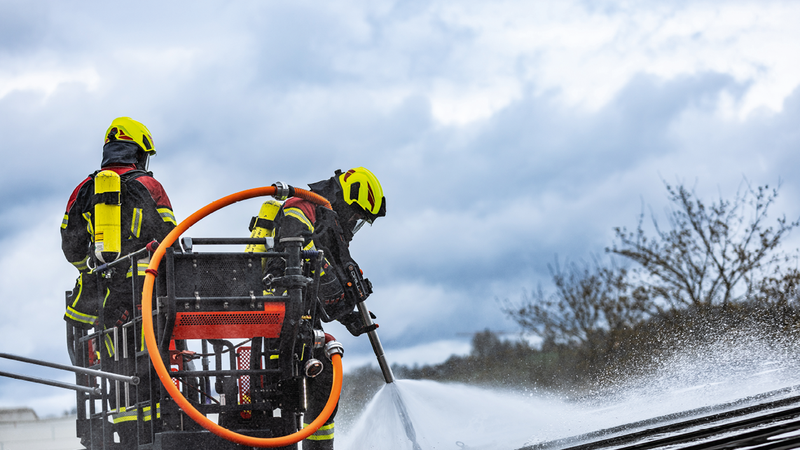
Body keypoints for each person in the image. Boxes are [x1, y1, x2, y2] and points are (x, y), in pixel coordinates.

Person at [61, 117, 176, 448]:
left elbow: (71, 246)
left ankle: (127, 438)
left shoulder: (84, 190)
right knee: (152, 364)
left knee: (118, 369)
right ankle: (154, 434)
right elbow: (170, 238)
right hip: (146, 296)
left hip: (103, 300)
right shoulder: (149, 186)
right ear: (138, 153)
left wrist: (94, 271)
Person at [264, 167, 386, 450]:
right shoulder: (302, 206)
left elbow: (320, 279)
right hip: (278, 313)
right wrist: (339, 294)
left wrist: (348, 315)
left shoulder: (327, 220)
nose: (354, 223)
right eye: (356, 216)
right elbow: (304, 256)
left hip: (299, 315)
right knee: (297, 389)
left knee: (323, 384)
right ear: (347, 199)